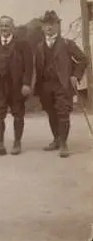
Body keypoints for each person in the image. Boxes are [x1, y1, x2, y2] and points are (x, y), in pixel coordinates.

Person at [35, 10, 88, 158]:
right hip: (45, 86)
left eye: (52, 24)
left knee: (63, 113)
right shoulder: (39, 47)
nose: (49, 28)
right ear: (42, 27)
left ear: (58, 26)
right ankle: (56, 139)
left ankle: (64, 144)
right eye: (46, 24)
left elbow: (83, 59)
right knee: (51, 113)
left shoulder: (67, 43)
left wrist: (75, 75)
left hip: (62, 85)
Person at [0, 16, 33, 157]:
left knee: (18, 114)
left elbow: (29, 66)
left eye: (7, 25)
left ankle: (17, 143)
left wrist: (26, 83)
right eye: (2, 26)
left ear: (12, 27)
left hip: (16, 86)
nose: (4, 28)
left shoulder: (22, 44)